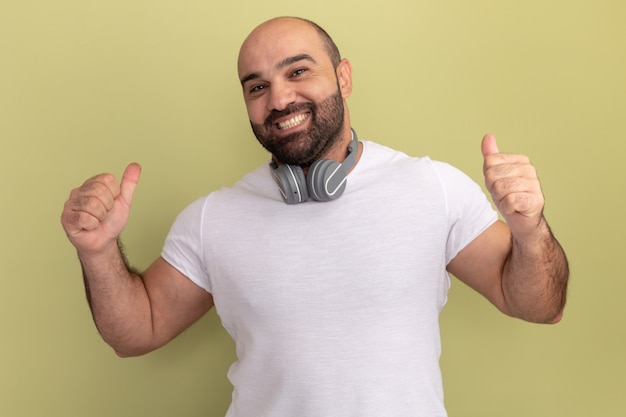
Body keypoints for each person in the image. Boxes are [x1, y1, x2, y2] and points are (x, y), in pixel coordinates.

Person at [61, 16, 569, 417]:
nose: (279, 98)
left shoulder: (430, 187)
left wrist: (530, 232)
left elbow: (541, 306)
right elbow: (136, 333)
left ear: (343, 76)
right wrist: (98, 251)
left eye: (298, 71)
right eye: (256, 87)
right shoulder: (213, 217)